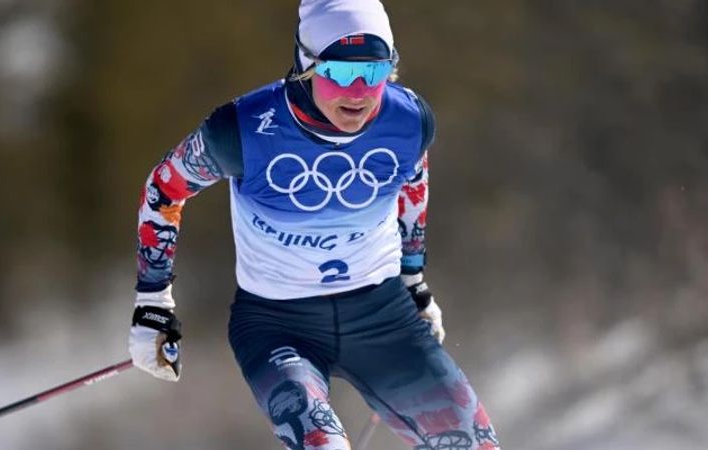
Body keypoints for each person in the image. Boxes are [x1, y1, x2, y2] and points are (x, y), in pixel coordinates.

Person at [127, 1, 501, 448]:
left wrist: (414, 280)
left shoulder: (409, 121)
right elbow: (165, 188)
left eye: (375, 72)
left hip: (383, 317)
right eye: (341, 73)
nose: (359, 91)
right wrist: (153, 303)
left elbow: (413, 181)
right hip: (279, 325)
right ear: (307, 64)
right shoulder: (241, 130)